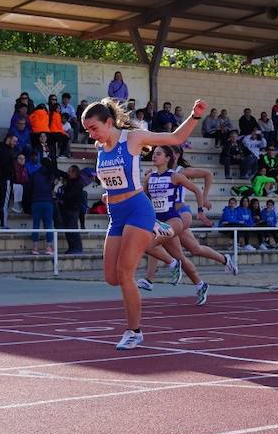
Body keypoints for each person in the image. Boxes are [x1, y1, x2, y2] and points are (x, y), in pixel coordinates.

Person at [81, 95, 209, 351]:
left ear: (108, 122)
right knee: (111, 277)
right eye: (87, 131)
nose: (91, 135)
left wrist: (195, 115)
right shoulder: (100, 148)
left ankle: (134, 331)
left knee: (126, 273)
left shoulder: (134, 138)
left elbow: (175, 139)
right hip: (115, 214)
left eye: (93, 128)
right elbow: (113, 180)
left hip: (138, 210)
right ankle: (159, 236)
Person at [141, 145, 221, 302]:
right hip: (158, 220)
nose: (154, 156)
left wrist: (200, 210)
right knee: (180, 257)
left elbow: (197, 190)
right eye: (154, 154)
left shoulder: (175, 176)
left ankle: (171, 264)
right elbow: (142, 198)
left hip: (173, 220)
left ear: (167, 158)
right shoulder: (149, 178)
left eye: (158, 154)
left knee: (146, 245)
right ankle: (200, 284)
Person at [58, 165, 88, 254]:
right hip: (67, 208)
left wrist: (61, 196)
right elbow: (63, 174)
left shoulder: (78, 183)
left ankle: (77, 248)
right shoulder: (71, 181)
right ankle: (72, 247)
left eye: (69, 171)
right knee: (68, 230)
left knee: (72, 228)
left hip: (73, 209)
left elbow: (70, 195)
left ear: (74, 172)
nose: (68, 173)